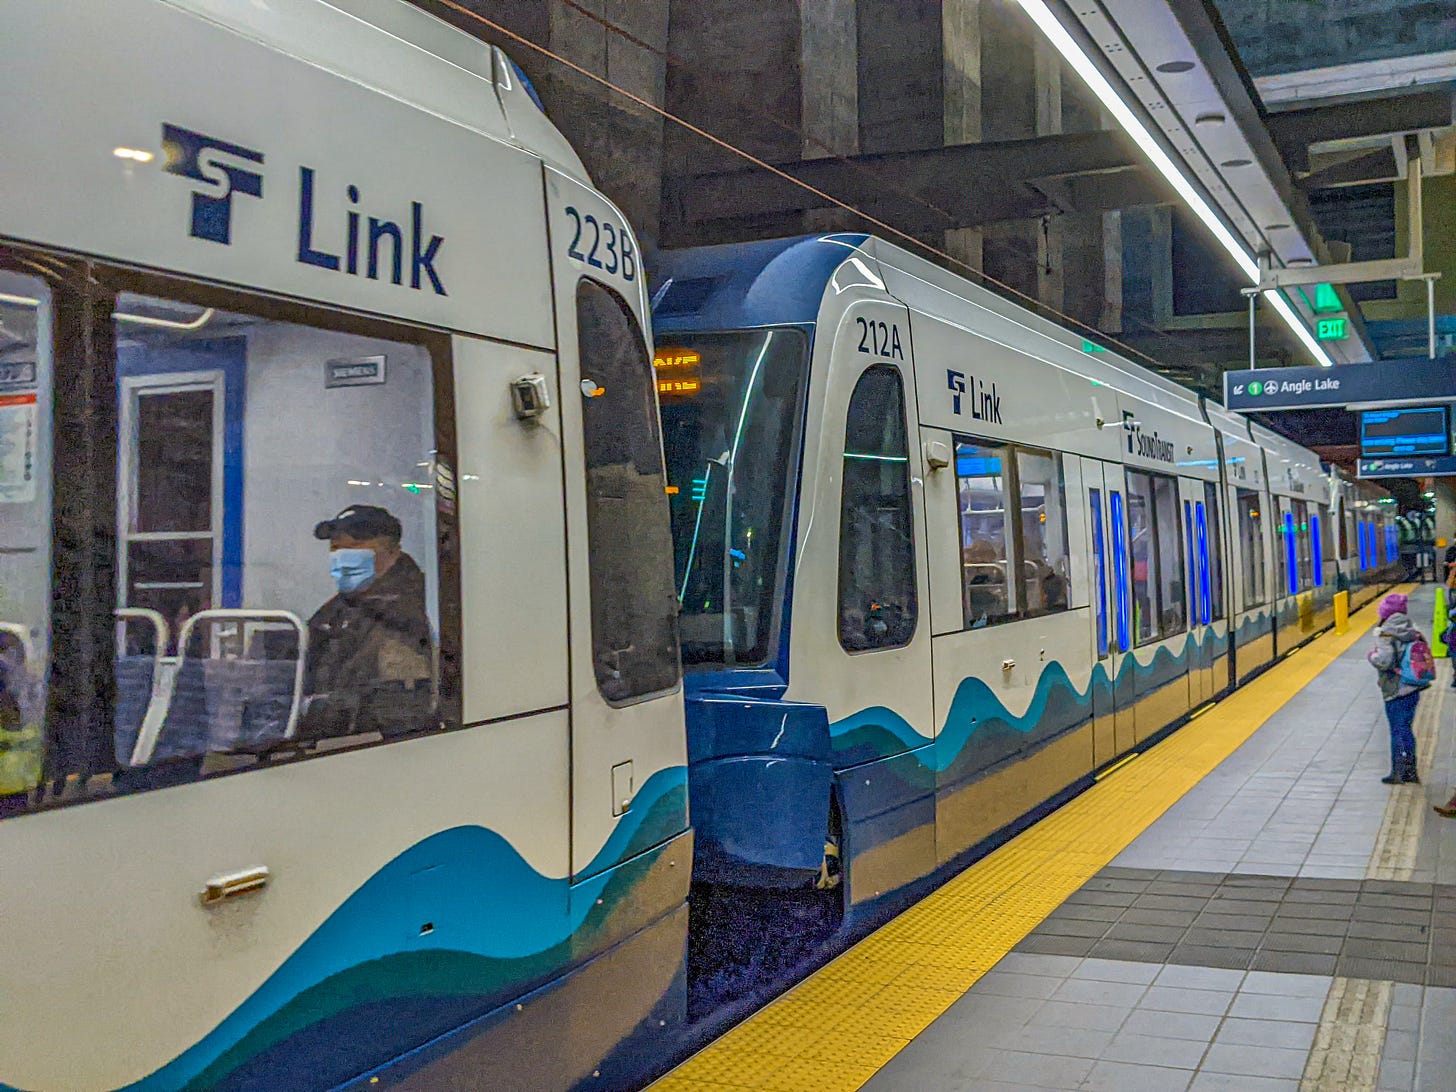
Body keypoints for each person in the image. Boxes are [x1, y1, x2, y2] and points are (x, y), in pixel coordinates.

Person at [300, 505, 434, 740]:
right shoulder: (346, 604)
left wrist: (314, 712)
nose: (341, 556)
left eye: (354, 547)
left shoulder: (409, 610)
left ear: (392, 553)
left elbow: (399, 710)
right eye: (335, 547)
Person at [1367, 593, 1426, 785]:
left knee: (1398, 730)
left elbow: (1385, 660)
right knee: (1406, 729)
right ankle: (1411, 770)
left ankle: (1398, 772)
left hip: (1395, 688)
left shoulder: (1386, 632)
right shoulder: (1411, 628)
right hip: (1413, 687)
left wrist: (1371, 656)